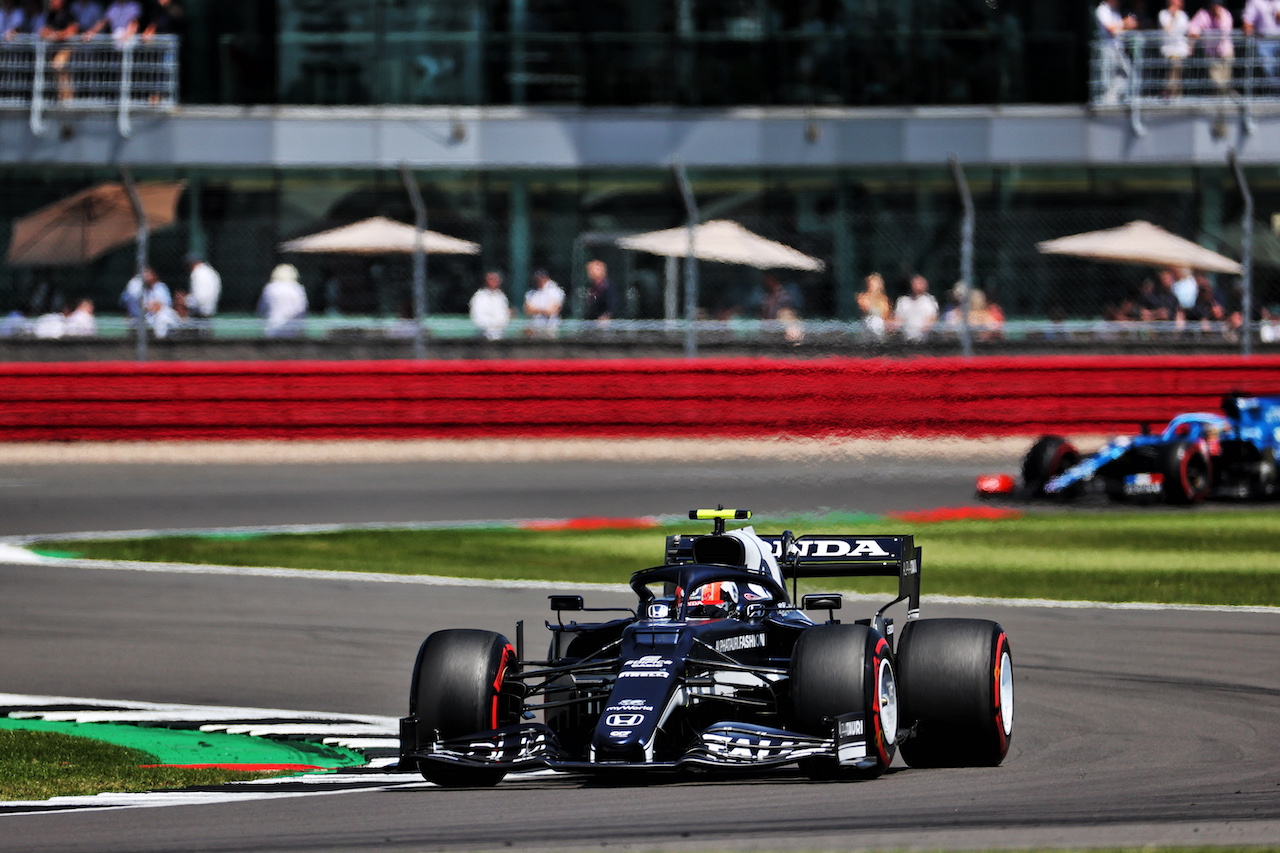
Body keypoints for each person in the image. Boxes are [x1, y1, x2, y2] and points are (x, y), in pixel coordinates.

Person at [1189, 0, 1236, 99]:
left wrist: (1219, 19)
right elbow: (1192, 27)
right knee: (1216, 79)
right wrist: (1195, 33)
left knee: (1226, 78)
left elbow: (1224, 32)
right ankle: (1221, 98)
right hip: (1211, 53)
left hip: (1225, 51)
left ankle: (1224, 99)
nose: (1215, 8)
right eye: (1213, 5)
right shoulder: (1203, 14)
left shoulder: (1225, 14)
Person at [1097, 0, 1139, 104]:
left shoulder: (1115, 11)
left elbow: (1119, 29)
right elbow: (1111, 28)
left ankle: (1115, 98)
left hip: (1118, 48)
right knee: (1109, 77)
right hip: (1108, 48)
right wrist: (1125, 22)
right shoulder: (1102, 10)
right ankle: (1108, 101)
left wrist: (1129, 26)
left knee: (1126, 73)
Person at [119, 264, 177, 337]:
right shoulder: (138, 286)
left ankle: (163, 341)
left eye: (149, 273)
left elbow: (159, 307)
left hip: (158, 317)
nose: (147, 276)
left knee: (164, 316)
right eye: (145, 273)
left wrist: (149, 307)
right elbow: (129, 303)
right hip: (142, 318)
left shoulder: (160, 287)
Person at [39, 0, 79, 103]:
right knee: (57, 73)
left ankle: (68, 97)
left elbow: (73, 30)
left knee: (58, 65)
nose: (52, 2)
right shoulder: (51, 16)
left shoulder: (69, 15)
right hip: (53, 49)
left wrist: (57, 35)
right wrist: (49, 34)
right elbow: (43, 31)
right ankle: (61, 96)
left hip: (66, 47)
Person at [258, 263, 307, 337]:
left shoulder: (270, 288)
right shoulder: (297, 288)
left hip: (272, 330)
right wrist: (302, 330)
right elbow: (301, 310)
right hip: (292, 331)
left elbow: (261, 309)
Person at [1243, 0, 1280, 91]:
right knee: (1269, 69)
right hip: (1264, 41)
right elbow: (1248, 21)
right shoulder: (1256, 2)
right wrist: (1248, 32)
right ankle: (1274, 94)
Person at [891, 274, 939, 342]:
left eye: (920, 284)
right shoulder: (903, 301)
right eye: (916, 283)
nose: (918, 286)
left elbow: (932, 319)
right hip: (905, 339)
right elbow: (897, 320)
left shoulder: (930, 301)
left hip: (924, 339)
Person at [1159, 0, 1191, 98]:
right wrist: (1172, 17)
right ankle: (1172, 93)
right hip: (1169, 50)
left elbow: (1186, 32)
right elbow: (1167, 29)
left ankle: (1174, 94)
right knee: (1174, 67)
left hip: (1181, 50)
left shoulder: (1184, 15)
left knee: (1177, 73)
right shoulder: (1163, 14)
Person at [469, 270, 510, 340]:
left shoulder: (501, 296)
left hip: (501, 333)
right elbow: (478, 318)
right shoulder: (479, 297)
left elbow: (503, 315)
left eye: (496, 279)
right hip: (484, 334)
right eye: (491, 279)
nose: (494, 281)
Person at [523, 268, 564, 338]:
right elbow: (527, 310)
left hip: (550, 329)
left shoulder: (556, 291)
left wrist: (536, 310)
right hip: (534, 330)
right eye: (537, 278)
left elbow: (553, 311)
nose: (539, 280)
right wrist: (544, 310)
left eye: (541, 277)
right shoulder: (531, 292)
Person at [182, 253, 220, 319]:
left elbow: (199, 298)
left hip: (201, 313)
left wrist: (185, 301)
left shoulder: (198, 273)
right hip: (209, 311)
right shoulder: (209, 271)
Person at [856, 272, 892, 338]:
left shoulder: (884, 299)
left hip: (880, 329)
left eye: (876, 283)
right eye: (872, 283)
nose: (874, 285)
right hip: (867, 326)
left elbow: (886, 316)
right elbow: (866, 309)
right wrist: (872, 296)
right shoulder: (862, 297)